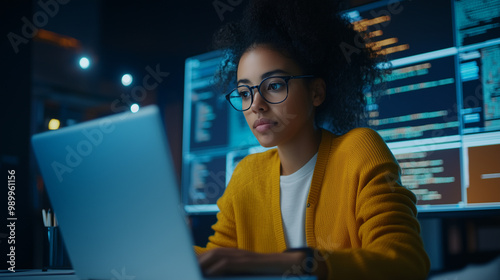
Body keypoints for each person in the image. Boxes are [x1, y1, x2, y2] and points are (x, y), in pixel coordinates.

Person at [194, 0, 431, 279]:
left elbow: (405, 262)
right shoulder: (246, 175)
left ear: (316, 92)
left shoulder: (359, 151)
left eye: (274, 86)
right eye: (245, 92)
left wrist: (294, 265)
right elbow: (216, 260)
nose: (256, 104)